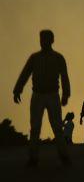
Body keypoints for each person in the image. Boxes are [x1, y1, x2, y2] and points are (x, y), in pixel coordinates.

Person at [12, 29, 71, 167]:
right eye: (41, 39)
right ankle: (33, 158)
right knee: (35, 127)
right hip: (38, 95)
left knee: (57, 127)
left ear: (51, 40)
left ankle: (64, 156)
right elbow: (25, 74)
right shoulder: (35, 58)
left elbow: (64, 77)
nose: (42, 42)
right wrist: (17, 90)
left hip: (52, 95)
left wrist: (66, 94)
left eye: (45, 39)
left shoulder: (58, 58)